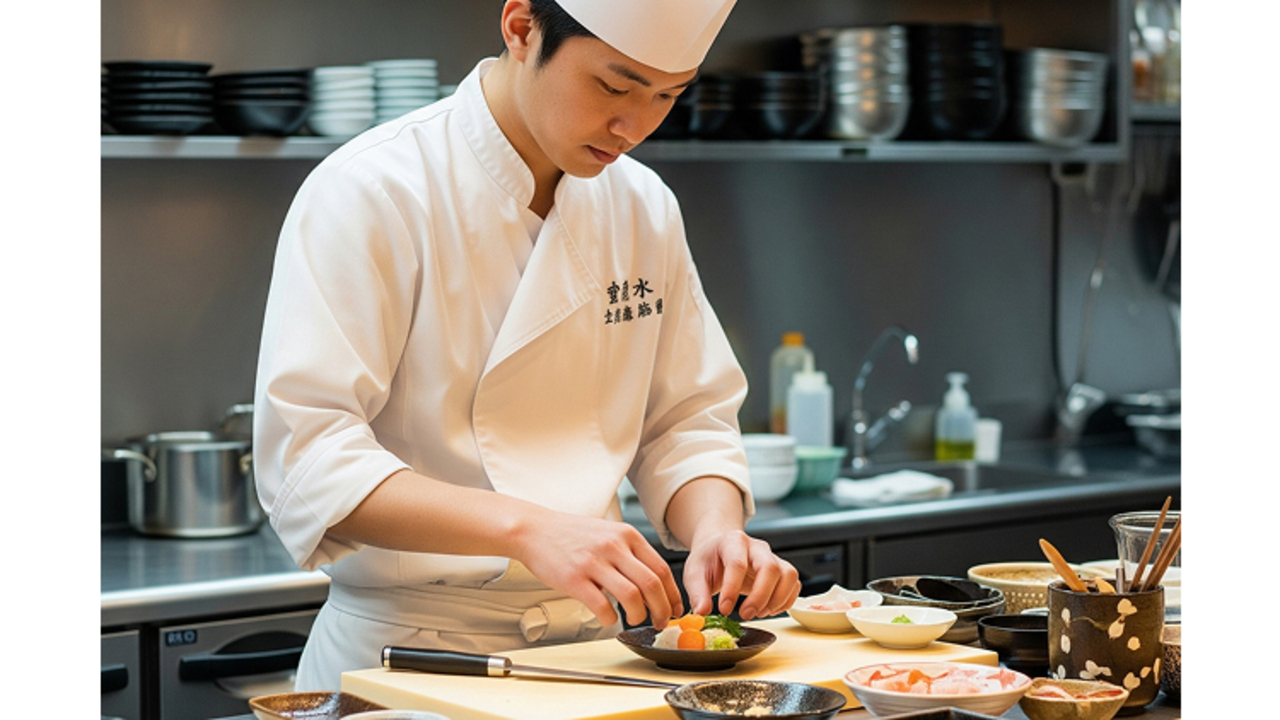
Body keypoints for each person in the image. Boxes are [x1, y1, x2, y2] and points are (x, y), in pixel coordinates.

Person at [253, 0, 801, 691]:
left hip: (601, 657)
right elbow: (309, 459)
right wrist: (529, 530)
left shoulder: (642, 205)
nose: (635, 126)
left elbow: (682, 422)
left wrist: (717, 531)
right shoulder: (373, 189)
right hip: (410, 655)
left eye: (668, 95)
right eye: (614, 85)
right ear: (520, 29)